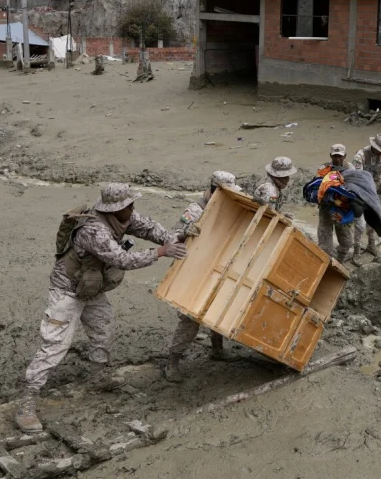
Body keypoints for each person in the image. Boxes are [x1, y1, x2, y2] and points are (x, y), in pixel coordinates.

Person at [16, 183, 187, 433]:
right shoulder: (94, 230)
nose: (133, 209)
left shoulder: (124, 216)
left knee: (103, 329)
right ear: (115, 209)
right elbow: (123, 260)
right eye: (129, 206)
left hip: (91, 287)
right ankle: (27, 403)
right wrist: (161, 252)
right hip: (66, 291)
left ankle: (98, 377)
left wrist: (172, 238)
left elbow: (149, 227)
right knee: (55, 345)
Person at [165, 171, 241, 383]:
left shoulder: (225, 206)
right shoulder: (196, 209)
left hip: (214, 266)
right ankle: (172, 361)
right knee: (190, 319)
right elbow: (172, 237)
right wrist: (185, 233)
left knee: (217, 308)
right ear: (215, 190)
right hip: (191, 269)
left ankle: (217, 350)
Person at [352, 134, 381, 258]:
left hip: (374, 191)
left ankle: (371, 244)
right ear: (374, 146)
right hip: (361, 191)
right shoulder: (360, 156)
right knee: (360, 224)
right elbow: (357, 177)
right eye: (380, 150)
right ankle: (356, 251)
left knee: (374, 219)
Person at [316, 145, 354, 262]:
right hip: (326, 209)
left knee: (347, 242)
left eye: (340, 156)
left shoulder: (350, 168)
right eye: (335, 156)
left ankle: (340, 260)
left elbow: (354, 187)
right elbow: (317, 186)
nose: (337, 159)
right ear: (331, 155)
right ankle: (325, 265)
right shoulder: (324, 168)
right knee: (325, 246)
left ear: (345, 156)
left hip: (342, 209)